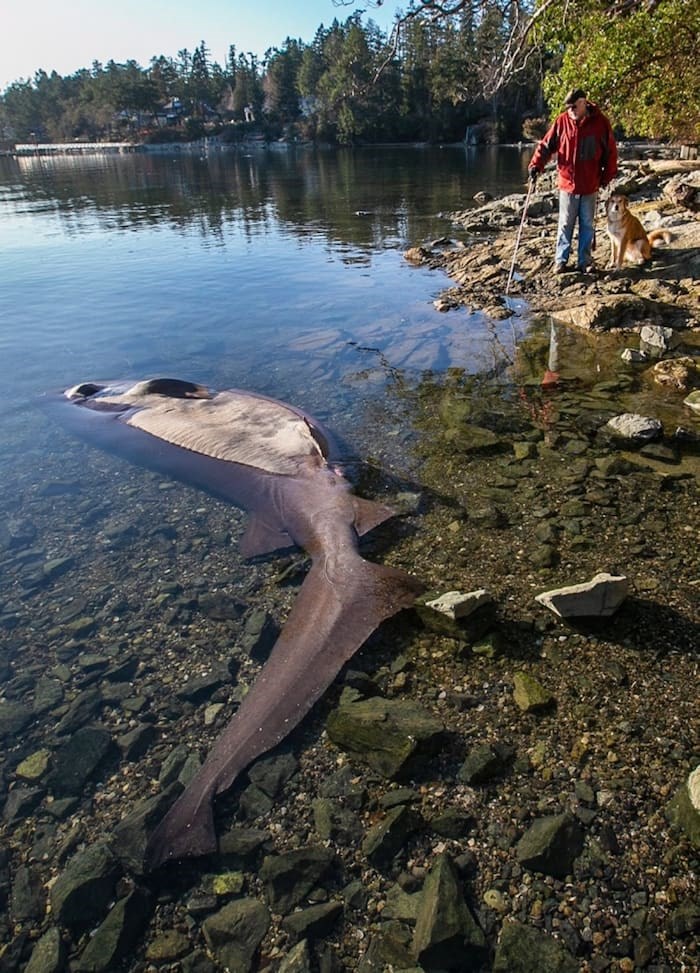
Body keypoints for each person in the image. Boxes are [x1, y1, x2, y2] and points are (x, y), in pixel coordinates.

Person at [528, 88, 618, 274]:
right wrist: (536, 166)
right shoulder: (562, 122)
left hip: (590, 184)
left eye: (574, 106)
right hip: (567, 183)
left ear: (584, 102)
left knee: (587, 224)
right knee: (565, 223)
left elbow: (610, 153)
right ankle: (561, 260)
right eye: (569, 107)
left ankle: (584, 261)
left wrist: (606, 177)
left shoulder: (601, 123)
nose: (571, 110)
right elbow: (546, 146)